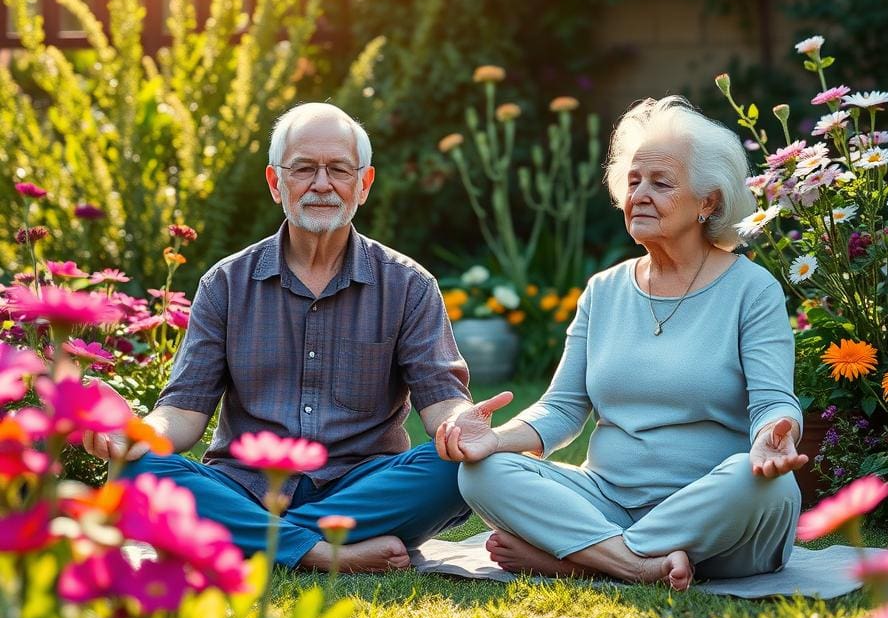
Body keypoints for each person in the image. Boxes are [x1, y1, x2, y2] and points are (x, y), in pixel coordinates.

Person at [84, 102, 498, 572]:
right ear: (275, 182)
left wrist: (463, 421)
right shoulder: (225, 284)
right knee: (141, 469)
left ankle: (247, 536)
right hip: (244, 485)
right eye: (303, 168)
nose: (322, 184)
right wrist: (138, 435)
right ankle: (321, 552)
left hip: (361, 486)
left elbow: (442, 399)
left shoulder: (408, 285)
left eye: (339, 169)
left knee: (453, 469)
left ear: (363, 185)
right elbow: (182, 410)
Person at [436, 95, 807, 589]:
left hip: (712, 509)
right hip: (606, 498)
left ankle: (578, 557)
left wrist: (770, 436)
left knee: (762, 483)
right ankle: (635, 564)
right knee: (481, 474)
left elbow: (773, 401)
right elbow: (563, 408)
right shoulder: (604, 290)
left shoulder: (751, 288)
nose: (640, 195)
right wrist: (497, 439)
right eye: (633, 182)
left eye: (661, 182)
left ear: (708, 201)